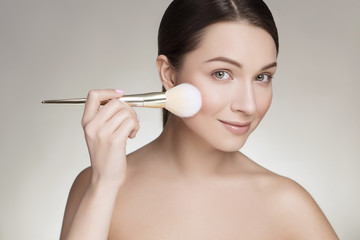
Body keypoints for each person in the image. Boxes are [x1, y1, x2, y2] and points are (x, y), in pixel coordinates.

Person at [60, 0, 339, 239]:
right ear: (169, 74)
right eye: (222, 73)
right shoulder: (94, 186)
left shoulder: (286, 204)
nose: (248, 105)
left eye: (262, 77)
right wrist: (105, 185)